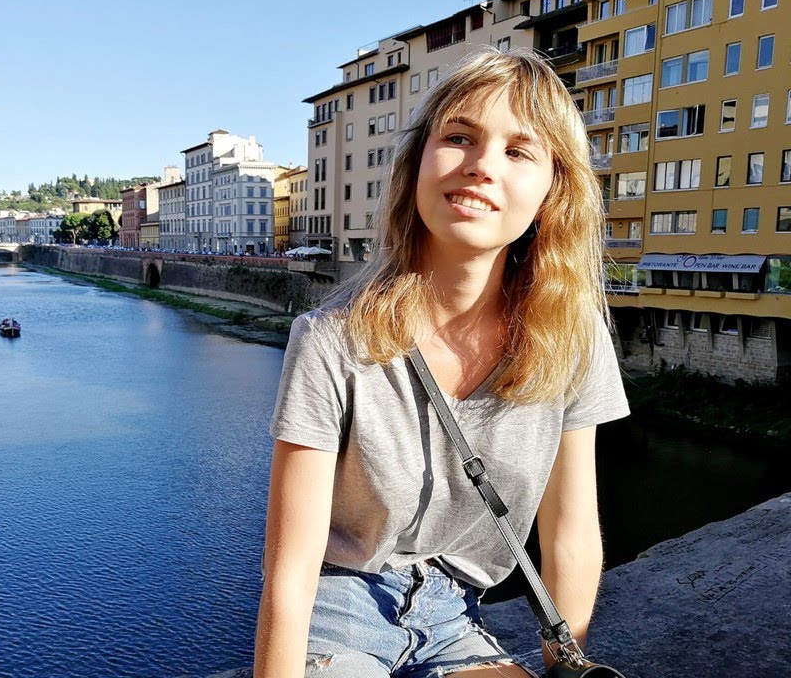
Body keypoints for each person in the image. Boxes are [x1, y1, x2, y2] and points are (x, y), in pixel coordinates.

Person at [253, 48, 629, 678]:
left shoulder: (573, 337)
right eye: (459, 138)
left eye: (519, 151)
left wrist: (564, 666)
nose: (482, 165)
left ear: (553, 190)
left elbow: (570, 534)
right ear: (417, 165)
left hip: (454, 616)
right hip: (337, 608)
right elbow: (288, 570)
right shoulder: (331, 339)